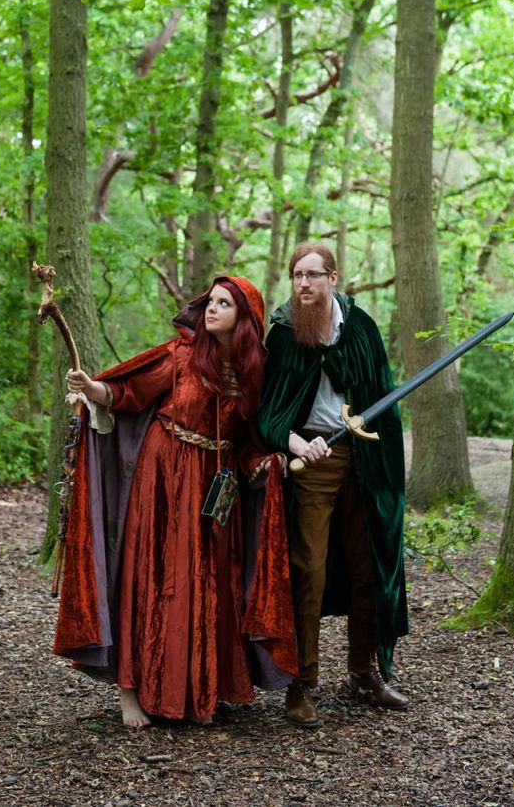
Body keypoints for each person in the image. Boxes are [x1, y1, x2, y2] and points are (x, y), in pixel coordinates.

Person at [54, 275, 297, 727]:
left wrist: (261, 464)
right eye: (210, 301)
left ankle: (197, 691)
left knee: (207, 584)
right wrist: (92, 388)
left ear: (245, 318)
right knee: (152, 578)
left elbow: (247, 443)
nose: (212, 309)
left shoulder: (253, 375)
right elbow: (127, 393)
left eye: (224, 304)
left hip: (215, 486)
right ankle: (131, 692)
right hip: (164, 475)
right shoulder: (181, 355)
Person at [256, 242, 409, 728]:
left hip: (364, 457)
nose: (303, 284)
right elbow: (268, 411)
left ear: (333, 278)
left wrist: (382, 460)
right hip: (312, 462)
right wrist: (296, 443)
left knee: (369, 564)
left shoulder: (361, 328)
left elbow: (382, 394)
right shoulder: (283, 335)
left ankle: (365, 672)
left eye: (312, 275)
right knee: (308, 569)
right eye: (296, 275)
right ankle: (301, 682)